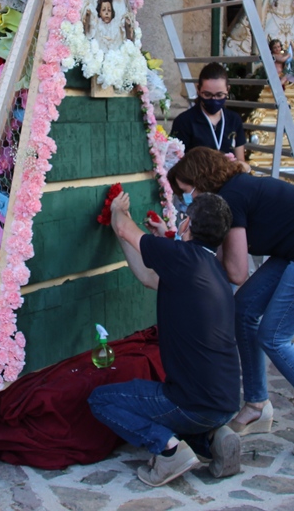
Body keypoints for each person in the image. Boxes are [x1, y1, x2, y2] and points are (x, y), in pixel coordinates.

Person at [168, 147, 294, 459]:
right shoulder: (232, 190)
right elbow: (223, 258)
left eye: (187, 191)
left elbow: (236, 271)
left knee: (275, 336)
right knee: (243, 310)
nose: (187, 199)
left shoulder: (231, 198)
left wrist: (185, 256)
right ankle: (257, 406)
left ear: (201, 182)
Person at [88, 192, 241, 487]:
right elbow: (148, 277)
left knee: (101, 400)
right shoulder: (210, 268)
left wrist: (118, 210)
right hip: (225, 401)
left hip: (190, 402)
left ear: (186, 225)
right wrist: (124, 230)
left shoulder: (183, 257)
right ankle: (213, 439)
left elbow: (123, 228)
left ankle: (169, 451)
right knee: (183, 414)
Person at [170, 63, 246, 161]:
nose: (214, 99)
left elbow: (240, 161)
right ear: (198, 89)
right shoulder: (184, 121)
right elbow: (175, 162)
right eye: (207, 95)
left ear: (227, 90)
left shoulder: (234, 120)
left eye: (219, 95)